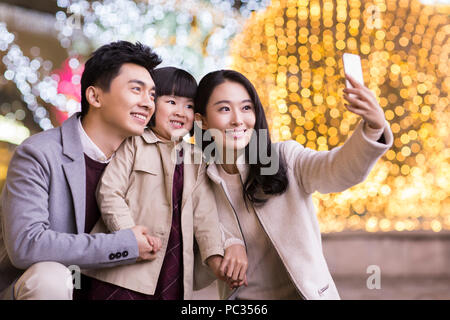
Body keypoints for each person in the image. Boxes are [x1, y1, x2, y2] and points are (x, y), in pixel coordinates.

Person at [193, 69, 393, 300]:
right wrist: (228, 242)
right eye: (224, 109)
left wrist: (373, 128)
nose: (238, 119)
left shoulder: (286, 158)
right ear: (202, 121)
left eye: (246, 107)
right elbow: (195, 249)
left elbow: (337, 168)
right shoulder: (200, 182)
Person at [0, 40, 162, 300]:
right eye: (136, 90)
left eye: (152, 94)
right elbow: (27, 245)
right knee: (50, 277)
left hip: (108, 291)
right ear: (94, 96)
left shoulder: (146, 161)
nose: (148, 103)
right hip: (40, 290)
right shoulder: (38, 153)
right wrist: (125, 244)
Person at [81, 67, 248, 300]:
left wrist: (215, 257)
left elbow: (205, 216)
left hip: (173, 270)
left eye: (189, 106)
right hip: (122, 271)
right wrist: (129, 236)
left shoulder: (196, 159)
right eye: (171, 101)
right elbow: (109, 191)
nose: (181, 112)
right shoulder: (133, 144)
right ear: (151, 103)